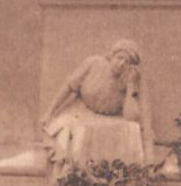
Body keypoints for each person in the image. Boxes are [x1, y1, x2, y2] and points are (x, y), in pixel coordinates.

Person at [41, 40, 153, 169]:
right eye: (119, 58)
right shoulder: (93, 63)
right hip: (80, 111)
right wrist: (50, 112)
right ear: (112, 56)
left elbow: (130, 117)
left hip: (109, 119)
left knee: (130, 130)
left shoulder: (129, 80)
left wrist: (130, 87)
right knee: (70, 132)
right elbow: (68, 87)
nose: (121, 64)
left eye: (126, 62)